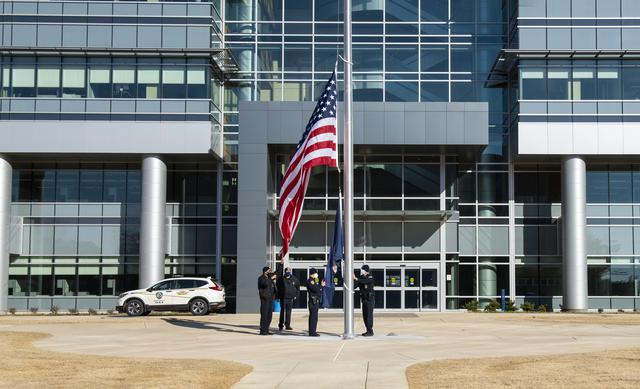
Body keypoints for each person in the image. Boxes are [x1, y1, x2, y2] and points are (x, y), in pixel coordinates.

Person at [354, 264, 375, 336]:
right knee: (365, 315)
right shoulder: (361, 278)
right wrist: (353, 280)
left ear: (366, 271)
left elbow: (366, 281)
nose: (362, 271)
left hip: (370, 299)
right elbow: (355, 286)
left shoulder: (370, 277)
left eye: (363, 270)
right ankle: (367, 330)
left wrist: (357, 279)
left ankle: (370, 331)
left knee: (369, 315)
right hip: (364, 299)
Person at [276, 267, 300, 331]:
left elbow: (298, 288)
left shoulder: (294, 279)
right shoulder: (281, 279)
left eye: (289, 271)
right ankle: (281, 325)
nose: (288, 272)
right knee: (282, 312)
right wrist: (278, 297)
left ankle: (287, 325)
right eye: (287, 271)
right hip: (283, 298)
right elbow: (277, 288)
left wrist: (295, 296)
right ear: (285, 271)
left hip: (290, 298)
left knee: (288, 312)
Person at [258, 266, 277, 335]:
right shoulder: (261, 278)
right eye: (268, 271)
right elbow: (264, 284)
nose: (270, 272)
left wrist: (281, 264)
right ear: (265, 271)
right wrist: (270, 279)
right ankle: (262, 330)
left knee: (269, 315)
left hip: (271, 298)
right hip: (264, 298)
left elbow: (277, 272)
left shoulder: (269, 278)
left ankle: (267, 329)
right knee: (264, 315)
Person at [306, 268, 325, 337]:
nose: (316, 274)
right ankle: (312, 332)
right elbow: (315, 289)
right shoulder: (310, 281)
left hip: (315, 301)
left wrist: (320, 286)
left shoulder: (314, 280)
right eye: (315, 273)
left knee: (314, 317)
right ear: (312, 274)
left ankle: (313, 331)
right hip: (313, 301)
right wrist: (321, 286)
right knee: (313, 317)